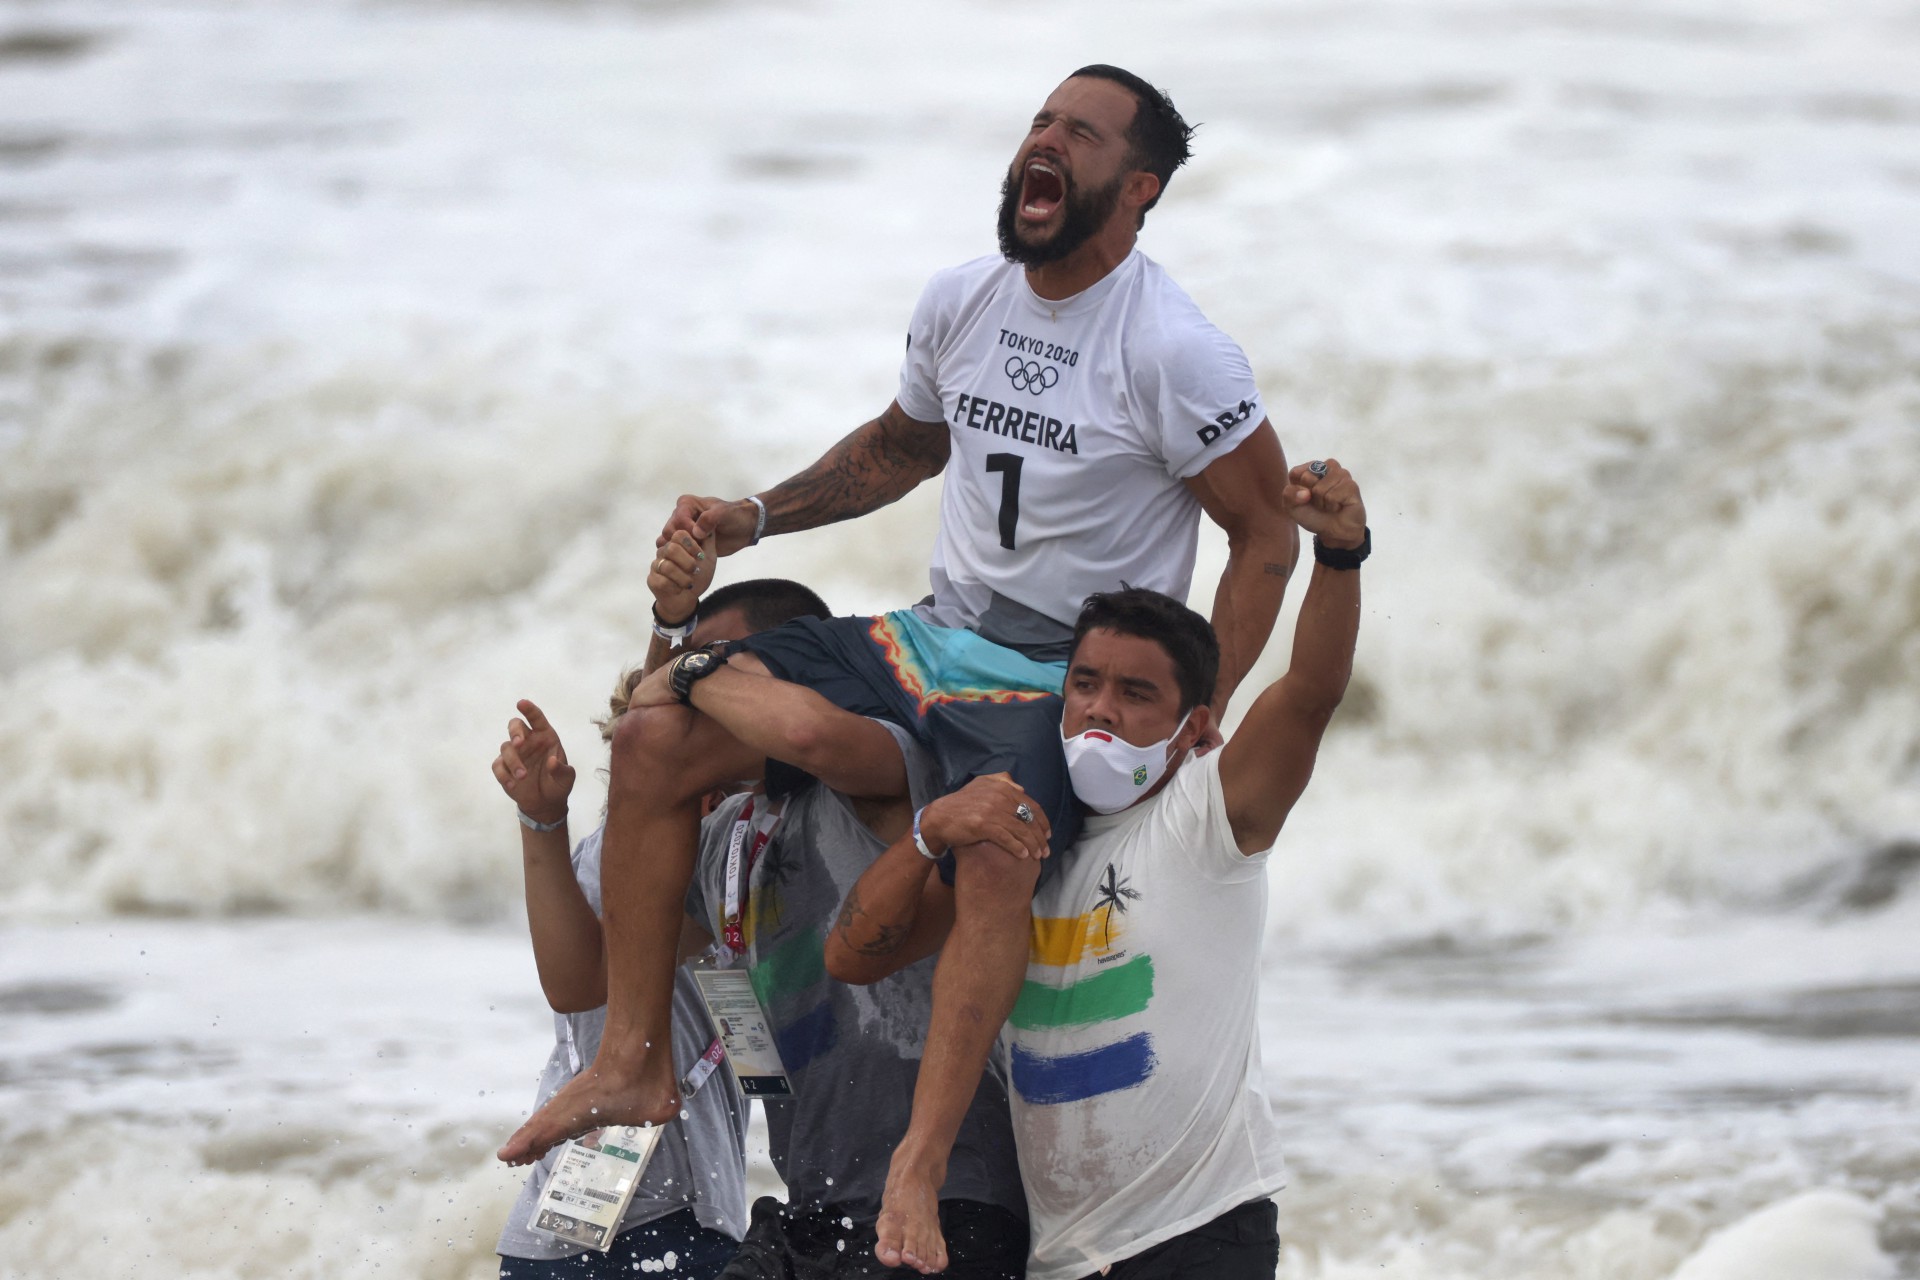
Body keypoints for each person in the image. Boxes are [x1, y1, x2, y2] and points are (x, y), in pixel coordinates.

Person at [501, 64, 1302, 1273]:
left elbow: (1265, 536)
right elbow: (901, 446)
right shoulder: (963, 300)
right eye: (1040, 120)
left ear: (1136, 189)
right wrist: (752, 517)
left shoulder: (1175, 350)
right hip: (926, 638)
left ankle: (920, 1163)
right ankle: (632, 1058)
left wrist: (1202, 706)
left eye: (1079, 136)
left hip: (1045, 672)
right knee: (658, 729)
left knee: (993, 840)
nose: (1045, 143)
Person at [824, 459, 1368, 1278]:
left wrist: (1340, 556)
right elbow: (855, 955)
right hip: (1066, 1255)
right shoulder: (1017, 845)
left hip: (1199, 1232)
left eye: (1135, 693)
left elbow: (1312, 691)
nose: (1100, 709)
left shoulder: (1206, 816)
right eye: (1084, 684)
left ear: (1193, 728)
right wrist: (932, 831)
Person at [491, 576, 845, 1277]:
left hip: (696, 1211)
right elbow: (574, 983)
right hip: (586, 1222)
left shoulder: (766, 845)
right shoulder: (632, 851)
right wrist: (543, 823)